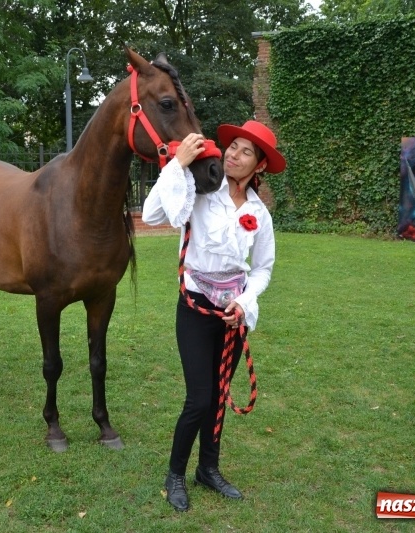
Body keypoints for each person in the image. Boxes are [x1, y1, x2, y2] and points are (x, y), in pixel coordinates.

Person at [141, 120, 286, 512]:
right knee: (199, 397)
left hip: (232, 317)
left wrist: (245, 302)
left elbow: (263, 268)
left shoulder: (259, 213)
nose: (233, 155)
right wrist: (177, 166)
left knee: (219, 397)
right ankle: (175, 474)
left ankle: (208, 469)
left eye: (245, 152)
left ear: (259, 166)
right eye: (232, 147)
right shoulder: (201, 188)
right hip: (194, 309)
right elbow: (154, 214)